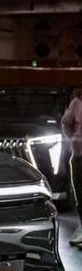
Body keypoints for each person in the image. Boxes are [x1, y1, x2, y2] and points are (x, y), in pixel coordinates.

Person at [61, 86, 82, 247]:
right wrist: (73, 140)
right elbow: (65, 122)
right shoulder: (78, 102)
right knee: (81, 196)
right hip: (80, 155)